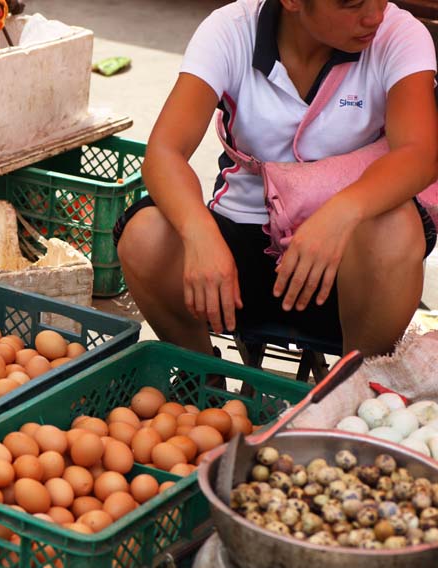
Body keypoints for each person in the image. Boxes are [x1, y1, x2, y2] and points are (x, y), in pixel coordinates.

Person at [116, 0, 438, 358]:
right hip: (235, 265)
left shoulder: (398, 34)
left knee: (394, 226)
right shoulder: (231, 29)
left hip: (348, 273)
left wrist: (342, 213)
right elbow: (165, 152)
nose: (374, 16)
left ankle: (351, 392)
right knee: (145, 234)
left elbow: (419, 154)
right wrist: (200, 235)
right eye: (352, 4)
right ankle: (201, 379)